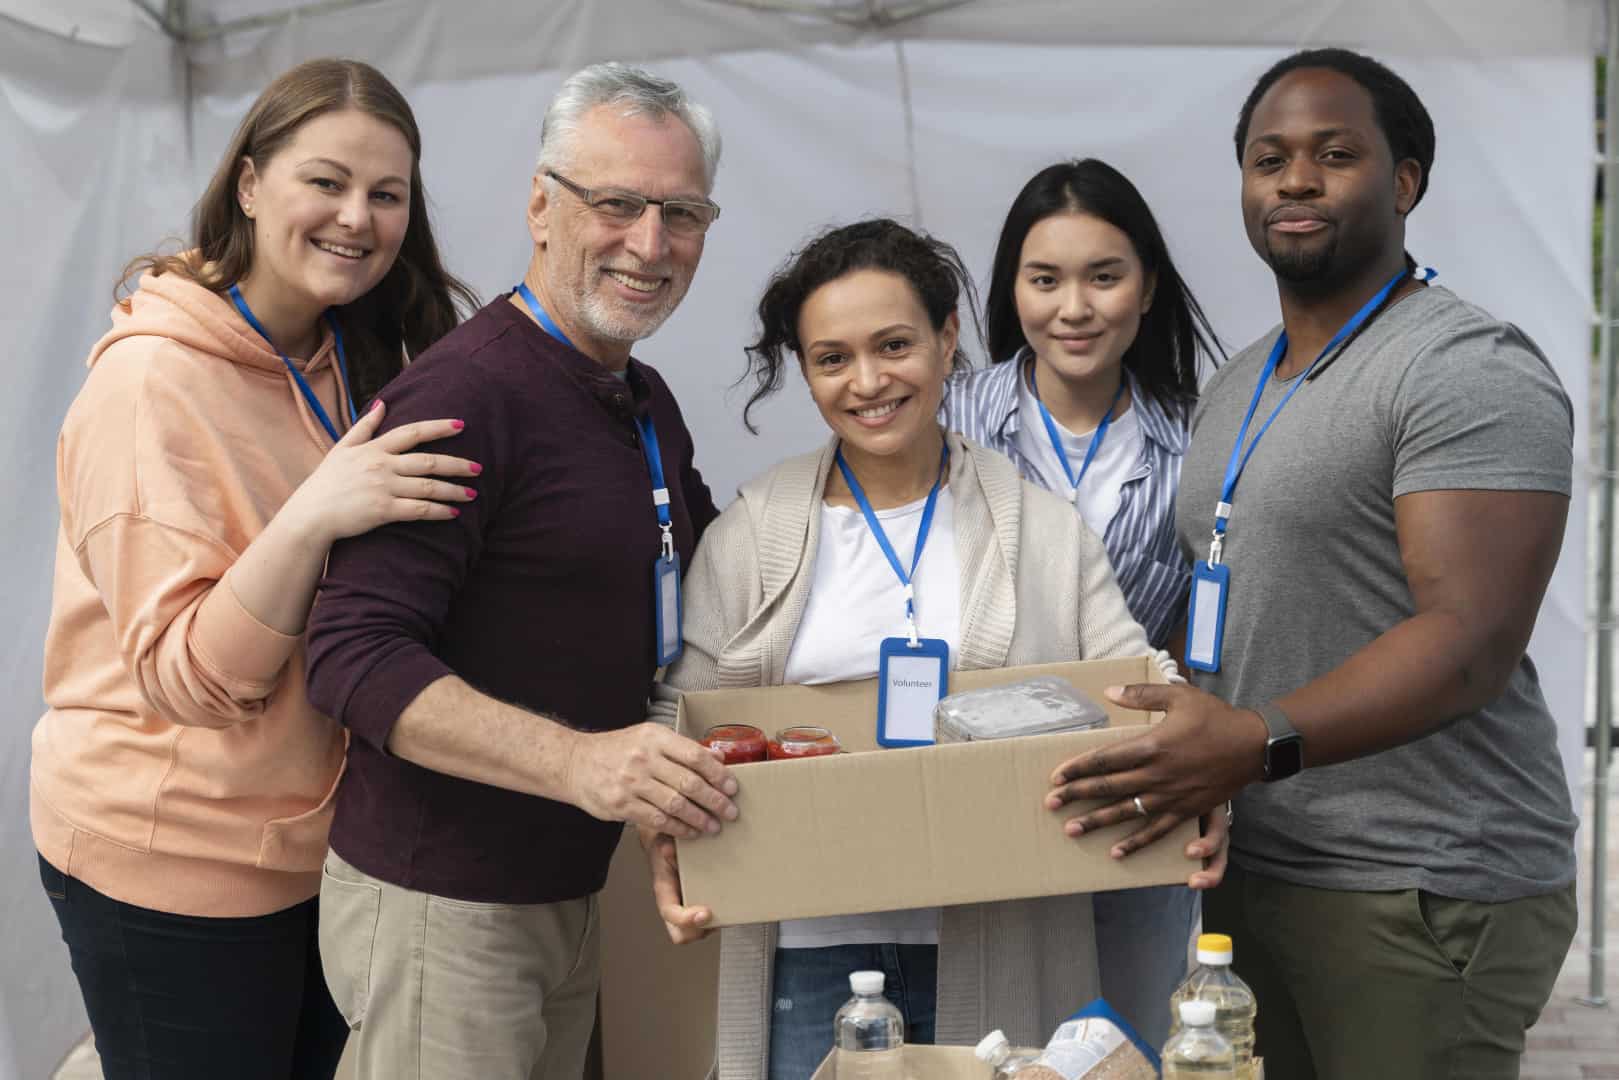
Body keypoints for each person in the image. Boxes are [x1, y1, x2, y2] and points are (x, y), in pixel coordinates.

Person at [1047, 48, 1578, 1079]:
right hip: (1253, 869)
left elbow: (1466, 641)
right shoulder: (1238, 383)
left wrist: (1251, 741)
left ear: (1406, 180)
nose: (1293, 180)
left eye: (1334, 155)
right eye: (1266, 158)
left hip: (1418, 883)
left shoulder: (1464, 367)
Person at [639, 218, 1224, 1080]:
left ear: (948, 341)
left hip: (997, 932)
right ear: (804, 372)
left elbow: (1135, 687)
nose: (868, 381)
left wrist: (1198, 770)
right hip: (807, 949)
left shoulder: (1040, 529)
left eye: (895, 345)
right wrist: (666, 832)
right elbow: (679, 712)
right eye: (832, 359)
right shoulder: (752, 532)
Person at [32, 58, 479, 1080]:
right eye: (324, 182)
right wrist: (313, 514)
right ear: (248, 183)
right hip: (176, 863)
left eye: (386, 194)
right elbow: (194, 680)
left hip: (319, 853)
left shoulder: (348, 353)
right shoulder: (148, 385)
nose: (356, 218)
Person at [303, 62, 733, 1079]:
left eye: (681, 212)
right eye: (617, 203)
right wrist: (583, 765)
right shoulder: (464, 397)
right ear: (541, 204)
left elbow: (713, 585)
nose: (650, 243)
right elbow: (352, 659)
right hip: (441, 910)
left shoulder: (641, 399)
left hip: (563, 893)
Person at [940, 158, 1225, 1048]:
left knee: (1129, 1045)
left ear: (1146, 290)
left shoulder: (1201, 437)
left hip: (1135, 793)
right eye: (1045, 278)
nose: (1074, 307)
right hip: (974, 787)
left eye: (1104, 276)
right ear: (1010, 290)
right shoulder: (943, 418)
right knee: (993, 1044)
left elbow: (1206, 628)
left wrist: (1214, 771)